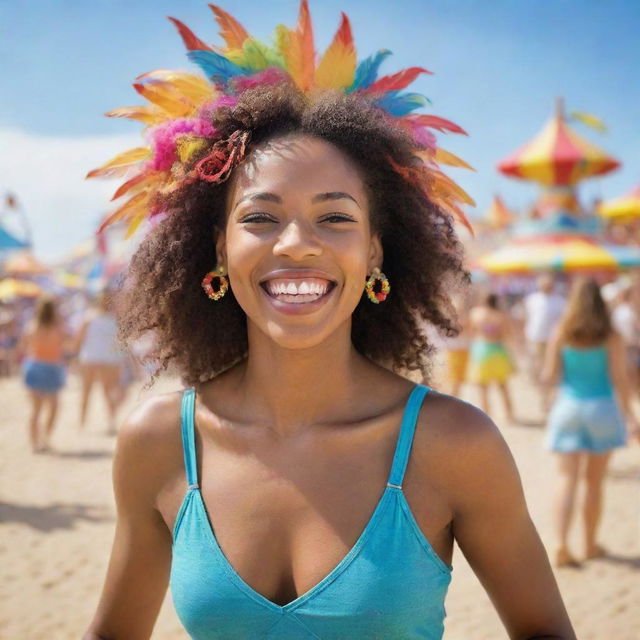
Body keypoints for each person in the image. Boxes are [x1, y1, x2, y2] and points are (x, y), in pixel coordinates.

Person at [83, 3, 576, 639]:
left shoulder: (455, 445)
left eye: (335, 217)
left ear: (374, 250)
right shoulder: (156, 442)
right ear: (216, 248)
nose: (295, 244)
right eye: (260, 217)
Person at [541, 277, 640, 569]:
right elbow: (620, 380)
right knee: (593, 483)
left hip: (568, 408)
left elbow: (549, 376)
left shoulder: (562, 331)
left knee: (566, 478)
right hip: (603, 410)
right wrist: (632, 418)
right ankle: (589, 544)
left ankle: (560, 544)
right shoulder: (611, 335)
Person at [16, 296, 68, 453]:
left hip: (34, 366)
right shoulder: (58, 327)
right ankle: (45, 439)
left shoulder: (32, 326)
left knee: (36, 410)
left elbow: (22, 348)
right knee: (53, 407)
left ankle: (35, 443)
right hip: (52, 367)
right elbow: (66, 346)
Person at [73, 290, 126, 434]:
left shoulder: (90, 318)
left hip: (95, 358)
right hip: (103, 359)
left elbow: (78, 340)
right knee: (102, 392)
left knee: (94, 391)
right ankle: (91, 422)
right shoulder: (111, 318)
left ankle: (85, 422)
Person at [468, 292, 518, 422]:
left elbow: (471, 331)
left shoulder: (476, 313)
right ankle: (509, 414)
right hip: (498, 350)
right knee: (503, 385)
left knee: (482, 387)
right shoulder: (501, 315)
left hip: (482, 350)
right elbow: (508, 333)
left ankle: (486, 415)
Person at [524, 273, 566, 413]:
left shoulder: (560, 301)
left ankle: (549, 399)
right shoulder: (532, 300)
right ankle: (544, 397)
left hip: (553, 341)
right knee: (538, 370)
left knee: (552, 370)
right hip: (536, 339)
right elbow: (527, 318)